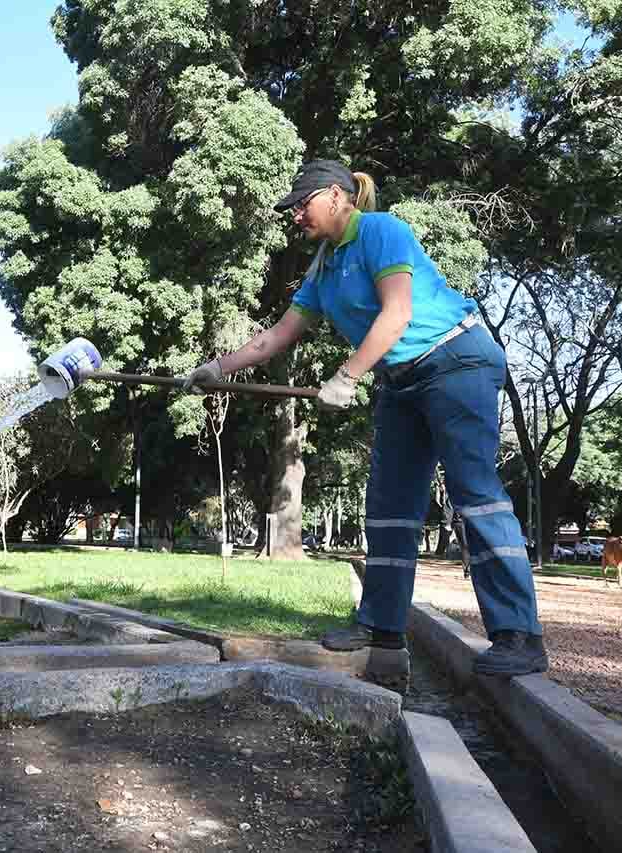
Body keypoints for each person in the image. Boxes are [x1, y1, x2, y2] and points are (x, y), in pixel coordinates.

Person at [182, 160, 547, 677]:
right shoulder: (324, 267)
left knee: (475, 494)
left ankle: (518, 635)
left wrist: (347, 376)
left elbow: (396, 313)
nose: (296, 217)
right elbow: (279, 334)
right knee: (389, 504)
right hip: (400, 379)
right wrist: (217, 369)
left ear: (335, 196)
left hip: (456, 360)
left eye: (302, 205)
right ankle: (382, 623)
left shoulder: (382, 231)